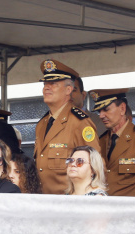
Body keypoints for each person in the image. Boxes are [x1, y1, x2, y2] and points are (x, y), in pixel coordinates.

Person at [33, 59, 101, 194]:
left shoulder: (79, 122)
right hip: (42, 201)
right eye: (45, 83)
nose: (46, 87)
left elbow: (95, 166)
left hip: (68, 203)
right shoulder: (42, 124)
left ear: (68, 90)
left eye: (53, 84)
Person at [90, 88, 135, 197]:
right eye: (99, 111)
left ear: (122, 108)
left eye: (106, 109)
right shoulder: (101, 141)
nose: (101, 115)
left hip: (132, 210)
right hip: (104, 209)